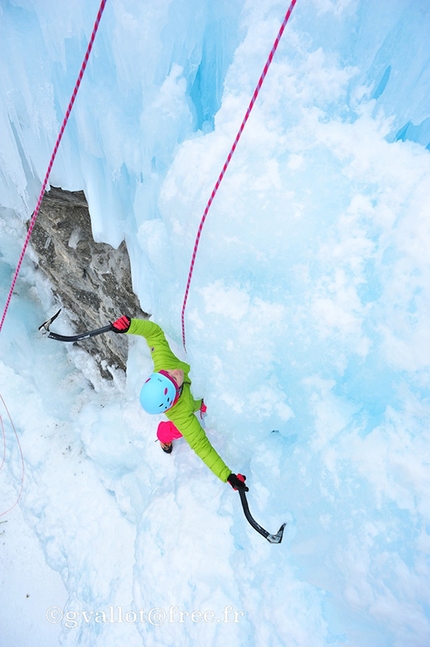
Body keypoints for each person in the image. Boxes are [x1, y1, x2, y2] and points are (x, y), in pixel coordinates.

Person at [111, 315, 248, 491]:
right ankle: (163, 435)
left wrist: (129, 326)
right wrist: (227, 476)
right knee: (178, 430)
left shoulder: (164, 365)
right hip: (191, 408)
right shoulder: (181, 415)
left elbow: (154, 334)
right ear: (173, 397)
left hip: (199, 398)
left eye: (168, 373)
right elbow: (201, 447)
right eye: (174, 378)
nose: (175, 371)